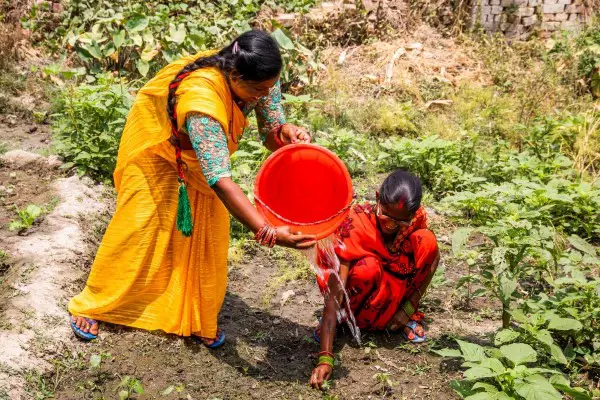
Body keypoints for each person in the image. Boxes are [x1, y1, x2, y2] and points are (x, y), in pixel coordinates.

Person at [68, 30, 316, 347]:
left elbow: (271, 133)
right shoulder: (202, 101)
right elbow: (220, 179)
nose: (263, 95)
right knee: (138, 229)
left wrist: (286, 132)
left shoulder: (261, 78)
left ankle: (196, 315)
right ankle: (95, 303)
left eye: (269, 88)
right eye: (257, 90)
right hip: (159, 150)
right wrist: (266, 230)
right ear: (234, 74)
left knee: (207, 237)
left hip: (201, 160)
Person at [309, 170, 440, 389]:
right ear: (378, 198)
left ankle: (396, 316)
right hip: (354, 292)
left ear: (413, 213)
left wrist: (408, 308)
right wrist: (325, 357)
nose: (392, 227)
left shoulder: (416, 220)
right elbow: (335, 293)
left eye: (402, 222)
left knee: (427, 242)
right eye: (386, 218)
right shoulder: (356, 224)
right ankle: (343, 321)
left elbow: (431, 260)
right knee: (367, 268)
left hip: (390, 288)